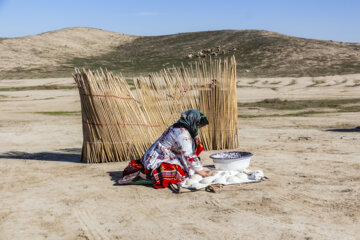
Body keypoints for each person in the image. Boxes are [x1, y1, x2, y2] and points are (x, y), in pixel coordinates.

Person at [118, 109, 215, 189]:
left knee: (195, 151)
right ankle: (145, 177)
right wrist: (200, 170)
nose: (198, 128)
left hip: (157, 153)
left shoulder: (176, 127)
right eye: (198, 125)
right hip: (160, 157)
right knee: (178, 174)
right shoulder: (182, 133)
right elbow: (188, 154)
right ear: (193, 122)